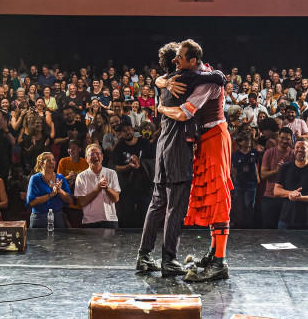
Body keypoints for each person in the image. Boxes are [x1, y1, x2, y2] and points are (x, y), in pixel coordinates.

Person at [138, 42, 226, 276]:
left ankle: (144, 256)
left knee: (157, 203)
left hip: (162, 147)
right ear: (175, 62)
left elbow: (159, 81)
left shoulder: (165, 83)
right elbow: (216, 78)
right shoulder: (184, 80)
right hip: (177, 148)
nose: (178, 60)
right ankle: (169, 259)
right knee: (176, 206)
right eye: (176, 57)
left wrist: (160, 94)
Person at [274, 139, 308, 230]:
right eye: (297, 147)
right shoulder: (285, 168)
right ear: (293, 150)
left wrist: (300, 198)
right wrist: (291, 193)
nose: (300, 150)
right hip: (286, 220)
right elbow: (276, 191)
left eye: (303, 148)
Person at [74, 144, 121, 228]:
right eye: (92, 154)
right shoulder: (81, 177)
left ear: (102, 157)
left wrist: (107, 188)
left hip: (110, 220)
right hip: (90, 221)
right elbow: (82, 202)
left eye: (97, 153)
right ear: (86, 159)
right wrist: (98, 189)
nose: (95, 156)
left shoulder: (111, 173)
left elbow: (116, 198)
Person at [26, 152, 72, 230]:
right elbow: (31, 202)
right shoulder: (35, 179)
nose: (52, 162)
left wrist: (59, 190)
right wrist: (50, 195)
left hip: (57, 217)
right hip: (39, 218)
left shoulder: (60, 177)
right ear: (41, 163)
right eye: (48, 160)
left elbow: (69, 199)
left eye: (53, 160)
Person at [260, 129, 294, 229]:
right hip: (270, 196)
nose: (284, 141)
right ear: (278, 137)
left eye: (287, 139)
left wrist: (286, 170)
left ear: (291, 140)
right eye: (282, 138)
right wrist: (277, 170)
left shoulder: (293, 154)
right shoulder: (269, 153)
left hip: (287, 197)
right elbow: (263, 175)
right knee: (269, 229)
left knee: (286, 230)